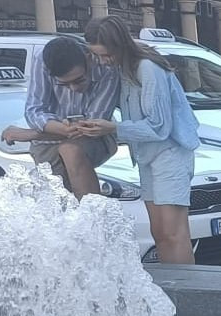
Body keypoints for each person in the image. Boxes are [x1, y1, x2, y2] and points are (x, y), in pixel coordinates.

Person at [80, 16, 201, 265]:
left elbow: (159, 126)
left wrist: (113, 128)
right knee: (160, 233)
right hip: (147, 154)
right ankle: (174, 291)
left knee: (173, 233)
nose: (103, 61)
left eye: (106, 55)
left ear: (120, 46)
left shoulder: (147, 68)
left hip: (170, 153)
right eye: (98, 56)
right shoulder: (123, 68)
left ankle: (188, 293)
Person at [4, 36, 120, 198]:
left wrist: (30, 134)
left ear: (88, 59)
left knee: (71, 150)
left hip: (96, 138)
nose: (73, 88)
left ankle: (93, 218)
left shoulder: (107, 68)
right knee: (59, 202)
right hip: (47, 143)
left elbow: (92, 126)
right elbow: (34, 110)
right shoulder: (42, 60)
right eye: (64, 84)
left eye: (79, 80)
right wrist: (62, 129)